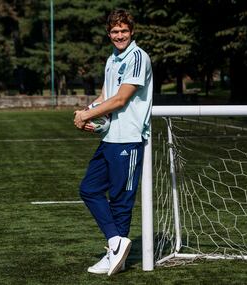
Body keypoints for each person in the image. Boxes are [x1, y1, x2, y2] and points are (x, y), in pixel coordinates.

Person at [73, 8, 152, 276]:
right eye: (115, 31)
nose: (120, 35)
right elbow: (106, 95)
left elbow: (120, 100)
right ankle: (116, 243)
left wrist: (88, 113)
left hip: (129, 138)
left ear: (132, 32)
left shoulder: (138, 58)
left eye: (124, 31)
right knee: (89, 189)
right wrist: (87, 113)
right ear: (109, 34)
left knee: (120, 200)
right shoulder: (112, 59)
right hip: (109, 137)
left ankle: (114, 255)